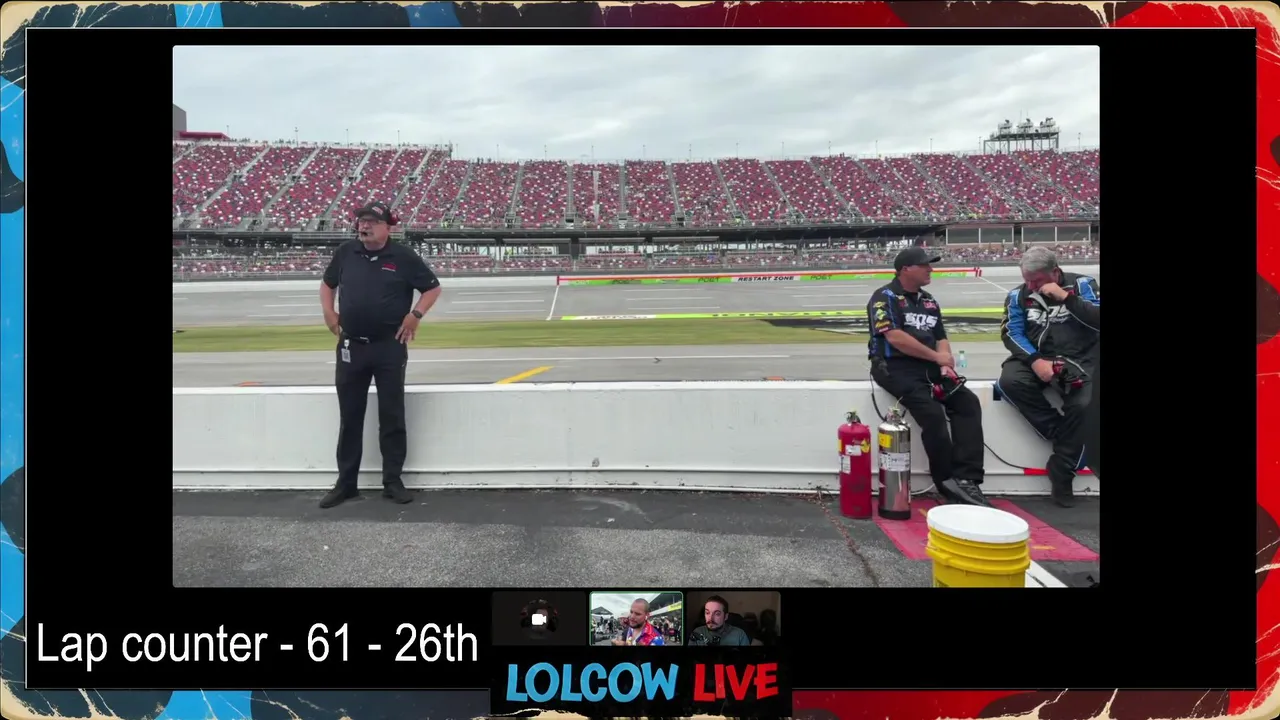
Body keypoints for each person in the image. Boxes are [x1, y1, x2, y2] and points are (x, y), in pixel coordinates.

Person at [317, 201, 443, 509]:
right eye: (361, 220)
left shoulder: (402, 256)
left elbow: (432, 288)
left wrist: (415, 315)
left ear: (388, 227)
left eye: (372, 221)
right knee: (350, 417)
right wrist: (329, 313)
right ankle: (346, 484)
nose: (364, 225)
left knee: (392, 415)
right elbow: (327, 284)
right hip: (351, 346)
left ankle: (392, 482)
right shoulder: (346, 252)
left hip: (389, 346)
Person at [866, 246, 989, 507]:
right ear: (905, 269)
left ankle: (968, 479)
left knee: (967, 402)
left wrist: (945, 363)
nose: (930, 269)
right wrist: (936, 357)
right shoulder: (883, 297)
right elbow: (895, 338)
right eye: (924, 265)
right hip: (894, 367)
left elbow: (940, 336)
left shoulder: (929, 300)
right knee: (932, 414)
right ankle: (946, 482)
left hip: (930, 367)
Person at [997, 246, 1100, 507]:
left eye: (1038, 280)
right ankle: (1064, 435)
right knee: (1009, 382)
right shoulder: (1017, 296)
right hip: (1035, 356)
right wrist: (1035, 360)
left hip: (1080, 358)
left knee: (1084, 405)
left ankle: (1061, 471)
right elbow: (1012, 333)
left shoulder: (1083, 285)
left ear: (1055, 272)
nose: (1031, 286)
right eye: (1027, 280)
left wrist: (1066, 298)